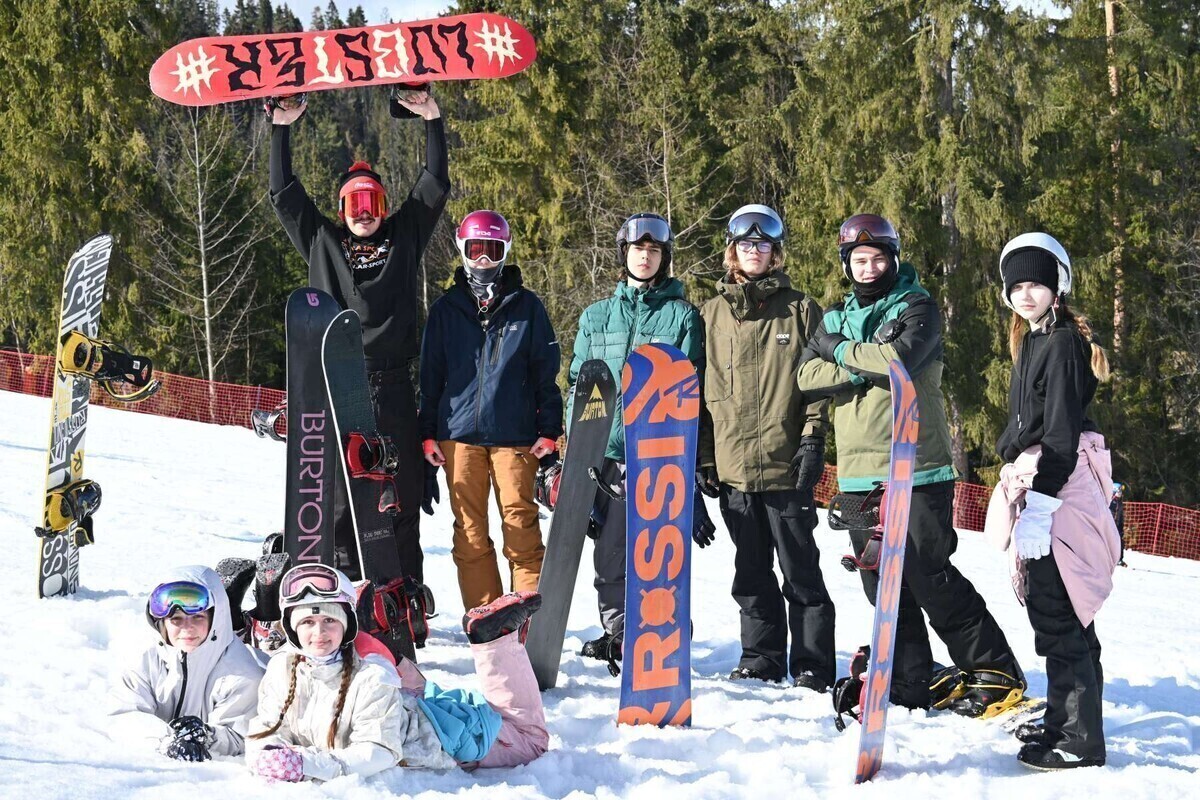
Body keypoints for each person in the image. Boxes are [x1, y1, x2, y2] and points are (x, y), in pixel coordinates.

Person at [797, 213, 1024, 715]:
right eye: (859, 260)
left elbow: (900, 362)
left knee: (926, 573)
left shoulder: (918, 306)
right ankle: (908, 678)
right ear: (846, 264)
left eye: (878, 258)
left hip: (917, 467)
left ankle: (995, 670)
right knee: (879, 582)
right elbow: (807, 377)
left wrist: (842, 355)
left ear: (893, 259)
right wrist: (863, 362)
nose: (869, 267)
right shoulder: (834, 317)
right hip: (858, 473)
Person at [266, 88, 448, 586]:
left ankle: (406, 592)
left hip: (391, 387)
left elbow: (434, 182)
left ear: (383, 205)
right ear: (341, 207)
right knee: (343, 501)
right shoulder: (323, 241)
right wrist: (280, 129)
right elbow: (284, 194)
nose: (363, 210)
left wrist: (432, 119)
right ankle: (350, 594)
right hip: (338, 386)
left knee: (402, 495)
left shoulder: (404, 235)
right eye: (354, 201)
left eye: (372, 201)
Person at [985, 232, 1120, 770]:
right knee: (1064, 611)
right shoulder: (1034, 339)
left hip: (1058, 485)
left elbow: (1061, 433)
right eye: (1016, 285)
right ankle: (1069, 720)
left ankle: (1080, 740)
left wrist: (1041, 503)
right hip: (1045, 479)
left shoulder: (1062, 342)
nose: (1025, 293)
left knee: (1058, 610)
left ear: (1056, 287)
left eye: (1035, 283)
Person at [696, 204, 836, 690]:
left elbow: (817, 383)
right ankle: (761, 657)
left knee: (801, 572)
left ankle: (814, 665)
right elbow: (701, 387)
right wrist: (706, 458)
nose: (754, 252)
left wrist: (813, 437)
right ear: (732, 252)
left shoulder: (801, 309)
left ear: (775, 254)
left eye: (763, 245)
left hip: (785, 465)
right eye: (746, 245)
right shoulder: (711, 314)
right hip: (734, 469)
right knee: (750, 573)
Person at [245, 564, 548, 782]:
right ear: (292, 630)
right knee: (402, 684)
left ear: (345, 624)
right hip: (404, 699)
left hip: (439, 739)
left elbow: (379, 753)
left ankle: (493, 638)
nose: (319, 633)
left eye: (330, 621)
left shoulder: (373, 678)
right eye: (308, 623)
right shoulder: (282, 669)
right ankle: (374, 637)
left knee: (531, 741)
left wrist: (306, 763)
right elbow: (265, 729)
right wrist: (267, 753)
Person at [567, 213, 704, 671]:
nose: (644, 257)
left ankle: (660, 627)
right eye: (637, 250)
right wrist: (574, 456)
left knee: (655, 548)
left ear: (664, 259)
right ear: (623, 253)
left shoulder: (682, 316)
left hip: (655, 451)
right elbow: (577, 383)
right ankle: (619, 631)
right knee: (608, 551)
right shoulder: (596, 316)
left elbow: (691, 388)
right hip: (601, 451)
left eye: (654, 251)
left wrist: (693, 469)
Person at [419, 210, 563, 610]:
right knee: (468, 531)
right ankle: (487, 616)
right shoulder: (446, 309)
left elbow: (544, 374)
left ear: (505, 252)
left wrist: (550, 430)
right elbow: (430, 378)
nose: (484, 259)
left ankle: (528, 616)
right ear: (463, 250)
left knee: (521, 525)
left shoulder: (527, 308)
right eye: (476, 249)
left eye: (492, 250)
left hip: (515, 435)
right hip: (457, 435)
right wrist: (427, 432)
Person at [109, 565, 264, 761]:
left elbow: (239, 736)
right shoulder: (145, 659)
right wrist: (168, 740)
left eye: (198, 617)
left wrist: (207, 736)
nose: (187, 628)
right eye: (176, 619)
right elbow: (123, 715)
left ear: (216, 619)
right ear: (161, 623)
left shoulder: (243, 674)